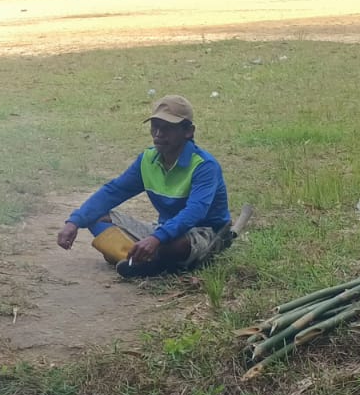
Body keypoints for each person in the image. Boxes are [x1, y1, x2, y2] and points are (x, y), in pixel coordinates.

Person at [57, 95, 232, 277]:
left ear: (188, 131)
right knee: (96, 216)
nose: (158, 134)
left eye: (167, 128)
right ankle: (135, 259)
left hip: (204, 232)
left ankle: (137, 258)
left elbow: (195, 212)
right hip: (164, 229)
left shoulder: (204, 166)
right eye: (155, 126)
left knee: (178, 245)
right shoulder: (147, 160)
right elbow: (114, 191)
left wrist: (156, 238)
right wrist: (74, 222)